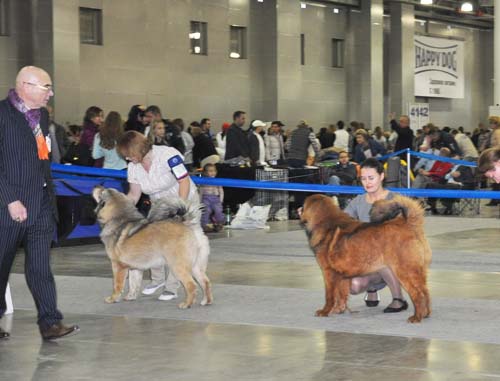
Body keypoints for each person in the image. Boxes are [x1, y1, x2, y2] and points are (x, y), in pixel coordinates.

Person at [0, 66, 79, 340]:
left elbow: (43, 157)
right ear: (26, 85)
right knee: (2, 264)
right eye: (47, 87)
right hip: (9, 205)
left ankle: (50, 322)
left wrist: (50, 196)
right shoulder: (2, 114)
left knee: (40, 266)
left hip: (42, 205)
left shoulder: (42, 117)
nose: (51, 93)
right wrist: (10, 199)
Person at [117, 131, 199, 301]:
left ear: (138, 150)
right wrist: (120, 211)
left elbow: (183, 181)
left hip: (184, 201)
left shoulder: (168, 155)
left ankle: (172, 287)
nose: (127, 159)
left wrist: (179, 209)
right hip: (159, 206)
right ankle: (158, 280)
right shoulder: (134, 167)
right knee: (154, 242)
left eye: (129, 154)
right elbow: (134, 194)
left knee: (176, 247)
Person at [344, 158, 408, 313]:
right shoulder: (358, 201)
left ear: (381, 176)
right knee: (354, 286)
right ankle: (372, 289)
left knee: (380, 253)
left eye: (371, 178)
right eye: (363, 179)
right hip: (365, 257)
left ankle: (399, 299)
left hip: (394, 256)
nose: (367, 182)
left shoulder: (395, 200)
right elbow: (341, 221)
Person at [199, 163, 224, 232]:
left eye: (214, 170)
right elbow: (201, 191)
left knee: (218, 210)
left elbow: (221, 191)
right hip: (206, 198)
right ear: (205, 173)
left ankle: (219, 223)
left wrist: (221, 200)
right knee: (206, 211)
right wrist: (200, 201)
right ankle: (205, 224)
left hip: (215, 199)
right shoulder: (203, 181)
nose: (213, 172)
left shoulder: (217, 181)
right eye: (210, 171)